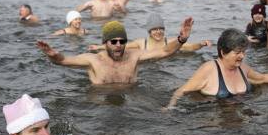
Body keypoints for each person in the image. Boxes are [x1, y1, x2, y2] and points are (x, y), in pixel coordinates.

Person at [37, 18, 193, 85]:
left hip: (130, 104)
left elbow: (165, 52)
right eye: (114, 41)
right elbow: (63, 60)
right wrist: (53, 54)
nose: (118, 45)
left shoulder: (135, 56)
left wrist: (181, 39)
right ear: (105, 43)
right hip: (100, 107)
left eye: (122, 41)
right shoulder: (93, 60)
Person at [167, 29, 268, 107]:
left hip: (240, 126)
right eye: (237, 52)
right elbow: (181, 91)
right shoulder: (208, 70)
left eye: (243, 51)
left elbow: (263, 78)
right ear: (223, 52)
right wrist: (170, 108)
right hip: (216, 127)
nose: (242, 56)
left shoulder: (243, 68)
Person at [90, 13, 209, 53]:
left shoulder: (171, 41)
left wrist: (201, 44)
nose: (158, 32)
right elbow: (120, 46)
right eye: (154, 29)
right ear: (149, 31)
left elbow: (190, 47)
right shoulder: (142, 43)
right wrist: (99, 47)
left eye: (160, 29)